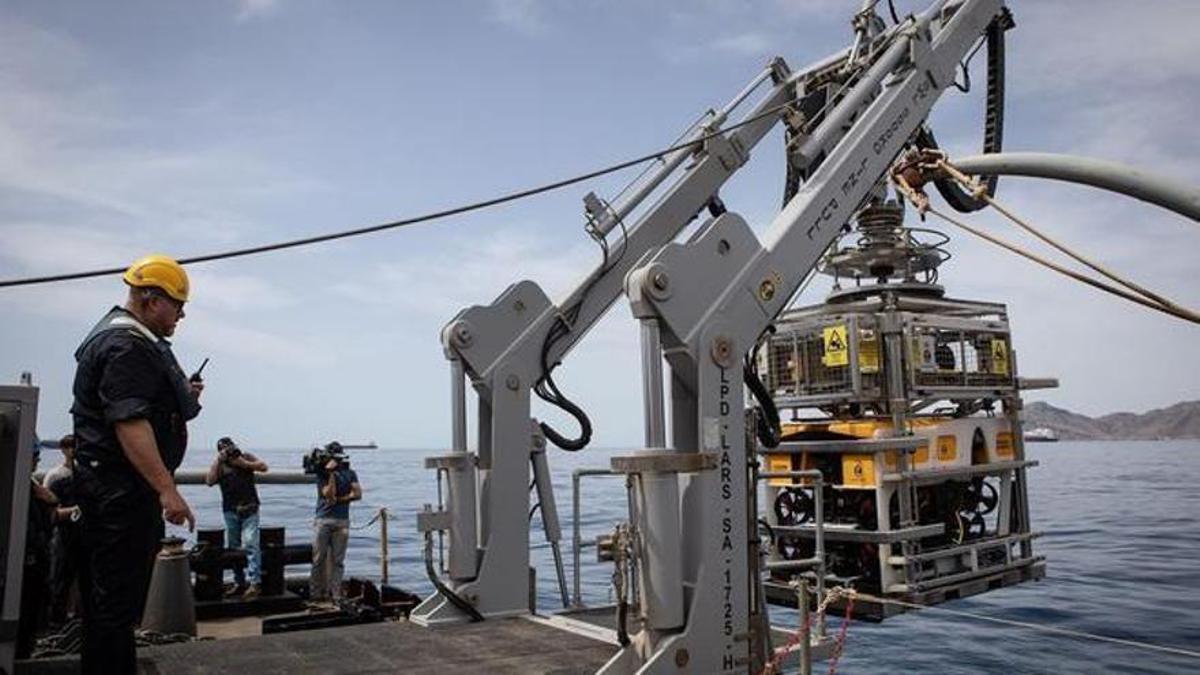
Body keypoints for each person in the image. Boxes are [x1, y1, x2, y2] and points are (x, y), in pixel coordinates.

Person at [70, 254, 202, 674]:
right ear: (150, 300)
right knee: (114, 605)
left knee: (111, 604)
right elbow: (130, 424)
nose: (181, 314)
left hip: (111, 489)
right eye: (177, 304)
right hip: (119, 495)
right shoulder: (127, 346)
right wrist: (168, 490)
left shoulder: (122, 338)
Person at [18, 443, 80, 658]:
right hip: (33, 554)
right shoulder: (52, 479)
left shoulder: (30, 485)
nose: (37, 460)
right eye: (34, 456)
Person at [205, 436, 268, 599]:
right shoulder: (220, 465)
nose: (231, 453)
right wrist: (218, 460)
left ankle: (254, 583)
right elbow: (209, 481)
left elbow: (264, 467)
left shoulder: (245, 457)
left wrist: (245, 464)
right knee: (233, 548)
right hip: (230, 510)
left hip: (250, 507)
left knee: (251, 544)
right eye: (226, 450)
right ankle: (239, 582)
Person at [310, 442, 361, 604]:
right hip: (324, 519)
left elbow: (358, 494)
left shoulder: (350, 473)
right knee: (318, 558)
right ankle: (316, 592)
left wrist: (339, 499)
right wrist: (330, 473)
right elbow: (328, 495)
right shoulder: (322, 473)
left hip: (341, 521)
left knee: (338, 561)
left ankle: (335, 594)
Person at [43, 434, 82, 625]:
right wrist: (74, 511)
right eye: (71, 447)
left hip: (81, 533)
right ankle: (57, 619)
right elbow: (48, 508)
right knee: (60, 577)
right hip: (63, 533)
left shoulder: (83, 475)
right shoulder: (56, 476)